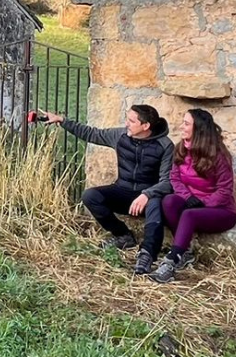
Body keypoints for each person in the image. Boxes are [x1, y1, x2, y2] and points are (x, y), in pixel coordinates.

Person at [34, 104, 173, 249]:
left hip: (147, 198)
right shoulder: (120, 136)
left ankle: (148, 251)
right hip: (122, 191)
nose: (127, 124)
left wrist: (147, 195)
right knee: (90, 196)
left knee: (155, 204)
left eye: (132, 121)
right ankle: (123, 235)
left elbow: (166, 181)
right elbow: (92, 134)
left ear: (145, 126)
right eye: (127, 119)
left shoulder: (165, 146)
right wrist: (62, 120)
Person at [139, 108, 236, 282]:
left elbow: (225, 191)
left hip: (221, 211)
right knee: (168, 201)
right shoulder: (181, 149)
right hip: (192, 204)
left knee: (189, 214)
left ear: (198, 128)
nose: (181, 126)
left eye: (186, 123)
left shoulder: (219, 156)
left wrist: (203, 202)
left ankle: (172, 261)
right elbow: (174, 178)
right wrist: (187, 197)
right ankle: (185, 251)